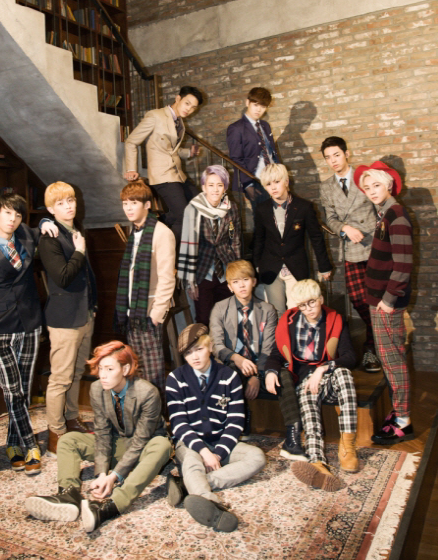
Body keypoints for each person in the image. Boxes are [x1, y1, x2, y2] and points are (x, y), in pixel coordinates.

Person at [25, 341, 171, 531]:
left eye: (109, 369)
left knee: (163, 445)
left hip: (145, 449)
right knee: (68, 439)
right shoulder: (97, 389)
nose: (103, 375)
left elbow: (140, 442)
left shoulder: (148, 392)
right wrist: (101, 473)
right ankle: (68, 495)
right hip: (119, 443)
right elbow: (102, 433)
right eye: (101, 368)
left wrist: (113, 478)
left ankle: (112, 505)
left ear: (125, 369)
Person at [0, 193, 57, 475]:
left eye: (17, 215)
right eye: (7, 213)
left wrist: (45, 221)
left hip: (29, 323)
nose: (12, 219)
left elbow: (42, 225)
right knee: (11, 389)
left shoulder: (25, 235)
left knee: (23, 389)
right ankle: (30, 446)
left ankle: (12, 444)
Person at [165, 323, 266, 532]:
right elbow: (179, 424)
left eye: (199, 349)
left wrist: (218, 454)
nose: (194, 357)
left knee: (257, 457)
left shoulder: (229, 376)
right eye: (188, 353)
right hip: (190, 443)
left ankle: (190, 484)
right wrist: (203, 452)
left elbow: (235, 421)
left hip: (221, 442)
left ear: (210, 346)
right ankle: (211, 505)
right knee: (192, 463)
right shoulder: (175, 379)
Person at [265, 279, 359, 492]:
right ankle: (317, 462)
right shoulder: (288, 322)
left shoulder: (335, 319)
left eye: (312, 302)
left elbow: (350, 357)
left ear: (321, 299)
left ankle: (348, 447)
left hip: (329, 377)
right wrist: (270, 371)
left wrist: (323, 368)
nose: (308, 309)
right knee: (308, 396)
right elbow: (276, 354)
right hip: (304, 380)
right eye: (302, 305)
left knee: (344, 374)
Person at [210, 259, 306, 459]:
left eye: (245, 280)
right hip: (232, 363)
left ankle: (292, 437)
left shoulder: (267, 309)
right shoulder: (219, 308)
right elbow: (217, 346)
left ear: (254, 282)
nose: (241, 285)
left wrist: (257, 376)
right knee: (228, 375)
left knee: (284, 376)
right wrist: (237, 359)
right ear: (229, 286)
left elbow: (269, 348)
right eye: (236, 282)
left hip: (260, 364)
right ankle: (235, 425)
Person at [355, 161, 415, 445]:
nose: (371, 191)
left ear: (389, 185)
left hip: (386, 303)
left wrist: (389, 300)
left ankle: (403, 421)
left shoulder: (397, 216)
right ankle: (398, 411)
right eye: (367, 187)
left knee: (393, 362)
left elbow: (403, 265)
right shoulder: (385, 214)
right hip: (379, 300)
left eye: (376, 185)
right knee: (390, 360)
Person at [38, 181, 97, 456]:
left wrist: (93, 306)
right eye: (60, 203)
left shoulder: (74, 231)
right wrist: (79, 251)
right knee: (60, 378)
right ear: (51, 209)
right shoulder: (49, 237)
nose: (68, 206)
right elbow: (62, 277)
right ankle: (56, 433)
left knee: (76, 373)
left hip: (85, 314)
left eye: (70, 200)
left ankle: (71, 419)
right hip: (64, 320)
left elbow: (86, 276)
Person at [319, 137, 380, 373]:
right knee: (358, 300)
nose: (333, 161)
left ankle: (371, 348)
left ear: (347, 154)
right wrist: (344, 228)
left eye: (336, 155)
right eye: (328, 158)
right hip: (351, 248)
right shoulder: (326, 187)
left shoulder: (364, 177)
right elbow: (330, 218)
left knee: (377, 300)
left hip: (374, 246)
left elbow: (379, 206)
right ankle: (377, 339)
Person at [115, 180, 176, 401]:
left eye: (134, 203)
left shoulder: (161, 233)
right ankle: (140, 412)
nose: (128, 208)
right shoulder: (135, 233)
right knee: (136, 369)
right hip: (133, 311)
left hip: (149, 312)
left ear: (147, 205)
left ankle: (157, 415)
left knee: (153, 373)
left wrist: (157, 314)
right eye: (125, 203)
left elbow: (167, 278)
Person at [123, 85, 203, 244]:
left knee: (200, 204)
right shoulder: (156, 116)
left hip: (178, 174)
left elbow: (171, 150)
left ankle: (153, 225)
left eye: (193, 107)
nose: (189, 109)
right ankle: (169, 254)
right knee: (183, 216)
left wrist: (189, 153)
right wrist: (131, 168)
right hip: (162, 176)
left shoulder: (180, 123)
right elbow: (131, 141)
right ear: (178, 98)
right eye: (187, 103)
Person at [253, 163, 332, 316]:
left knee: (296, 309)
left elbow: (316, 238)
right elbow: (259, 239)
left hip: (296, 266)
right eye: (268, 184)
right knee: (276, 311)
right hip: (271, 268)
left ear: (286, 181)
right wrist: (256, 265)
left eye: (277, 182)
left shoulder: (304, 207)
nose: (273, 187)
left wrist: (324, 266)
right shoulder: (262, 209)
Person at [177, 165, 241, 326]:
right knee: (204, 320)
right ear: (204, 187)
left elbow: (235, 240)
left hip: (226, 270)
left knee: (229, 319)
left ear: (225, 187)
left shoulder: (232, 208)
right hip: (202, 272)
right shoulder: (193, 209)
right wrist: (190, 281)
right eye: (211, 185)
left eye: (220, 185)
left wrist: (237, 273)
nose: (215, 189)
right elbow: (188, 246)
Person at [226, 86, 280, 208]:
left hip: (274, 178)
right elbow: (236, 159)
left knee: (280, 215)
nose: (259, 109)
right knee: (264, 215)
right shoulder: (236, 128)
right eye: (255, 105)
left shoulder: (265, 126)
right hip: (256, 181)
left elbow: (272, 152)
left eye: (263, 106)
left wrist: (281, 176)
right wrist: (247, 184)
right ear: (247, 103)